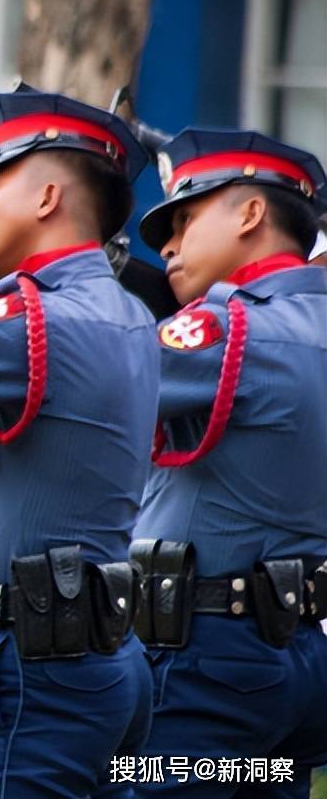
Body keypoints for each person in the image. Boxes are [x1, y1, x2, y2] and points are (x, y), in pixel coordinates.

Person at [0, 86, 158, 798]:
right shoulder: (125, 312)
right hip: (102, 655)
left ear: (45, 198)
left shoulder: (29, 315)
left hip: (31, 670)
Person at [130, 129, 327, 796]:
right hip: (297, 658)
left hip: (204, 664)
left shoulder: (225, 329)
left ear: (250, 214)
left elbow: (93, 378)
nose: (166, 245)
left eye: (185, 219)